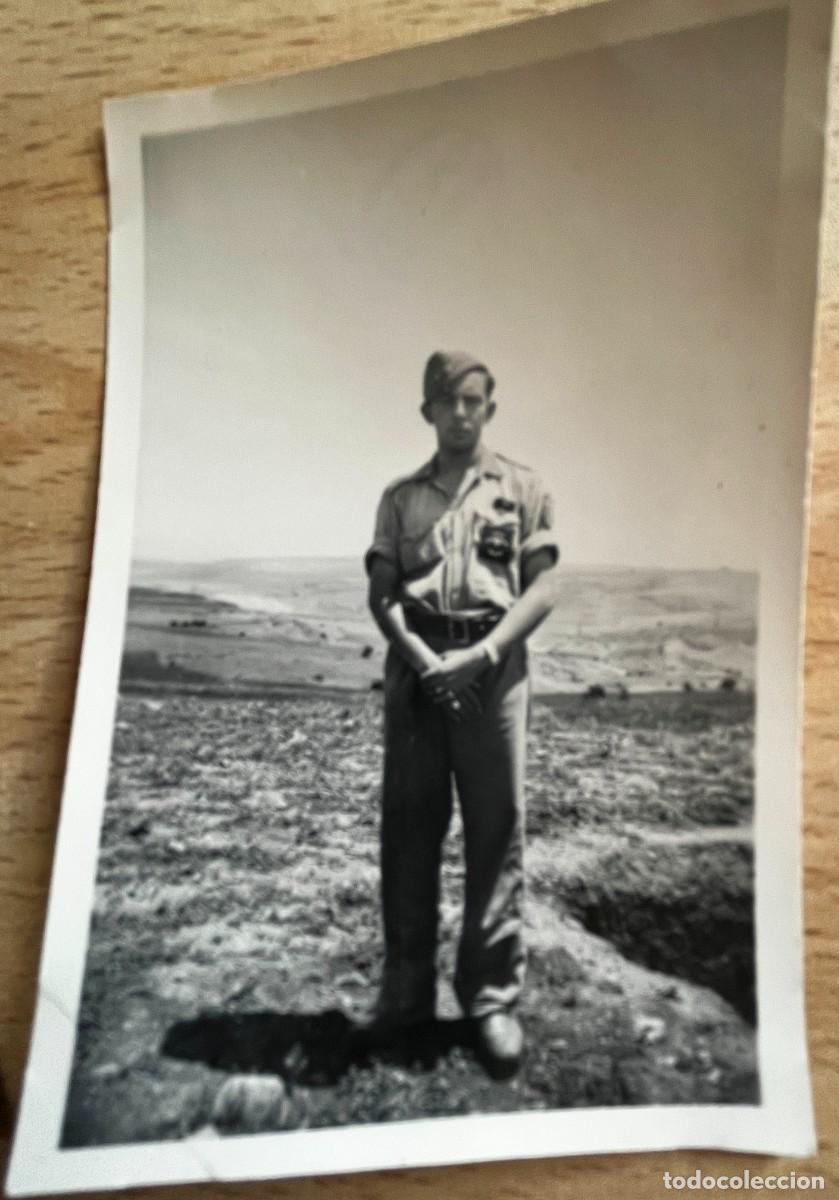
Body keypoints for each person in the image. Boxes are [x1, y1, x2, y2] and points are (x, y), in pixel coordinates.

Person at [364, 350, 560, 1077]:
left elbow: (541, 590)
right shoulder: (400, 498)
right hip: (419, 675)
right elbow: (383, 595)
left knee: (495, 830)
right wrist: (426, 664)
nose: (460, 413)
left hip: (493, 671)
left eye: (473, 400)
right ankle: (406, 995)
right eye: (446, 402)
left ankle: (489, 1000)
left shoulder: (525, 488)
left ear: (489, 407)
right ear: (427, 411)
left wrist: (479, 659)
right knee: (409, 830)